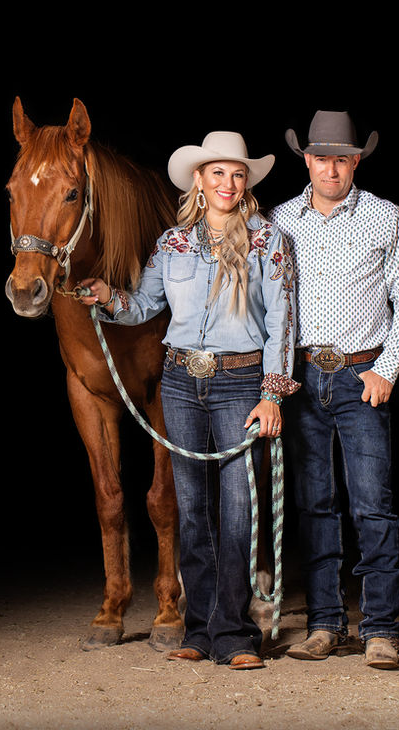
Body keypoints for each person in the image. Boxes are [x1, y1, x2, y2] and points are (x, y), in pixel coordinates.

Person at [78, 131, 299, 670]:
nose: (228, 183)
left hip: (239, 382)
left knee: (238, 512)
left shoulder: (270, 240)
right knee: (194, 512)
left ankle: (237, 634)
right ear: (199, 181)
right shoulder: (172, 243)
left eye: (237, 174)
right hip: (180, 381)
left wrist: (272, 394)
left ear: (245, 184)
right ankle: (200, 630)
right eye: (217, 173)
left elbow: (282, 322)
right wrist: (109, 299)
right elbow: (145, 306)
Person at [267, 111, 399, 669]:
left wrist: (390, 367)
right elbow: (267, 301)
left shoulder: (386, 218)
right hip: (302, 377)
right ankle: (325, 624)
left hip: (362, 376)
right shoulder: (281, 220)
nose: (330, 167)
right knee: (315, 506)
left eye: (341, 157)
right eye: (320, 157)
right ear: (306, 160)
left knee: (372, 508)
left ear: (356, 160)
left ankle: (381, 628)